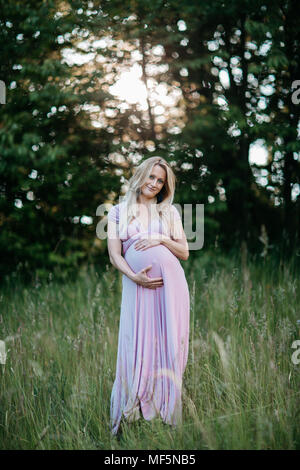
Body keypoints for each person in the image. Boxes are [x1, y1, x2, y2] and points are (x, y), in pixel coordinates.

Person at [107, 156, 190, 436]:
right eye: (151, 177)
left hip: (171, 287)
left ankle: (166, 417)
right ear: (140, 174)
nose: (154, 184)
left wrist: (161, 239)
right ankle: (127, 416)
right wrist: (134, 276)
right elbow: (114, 255)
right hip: (138, 284)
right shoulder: (118, 211)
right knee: (135, 343)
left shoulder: (169, 213)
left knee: (167, 344)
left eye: (160, 181)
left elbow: (184, 252)